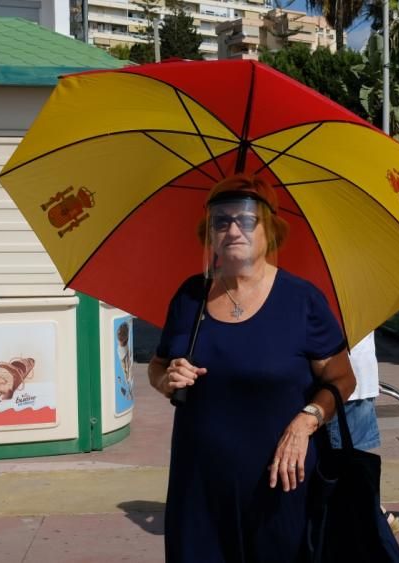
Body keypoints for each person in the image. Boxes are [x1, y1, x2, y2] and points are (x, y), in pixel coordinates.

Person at [148, 174, 356, 562]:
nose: (232, 229)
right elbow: (159, 366)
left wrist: (306, 421)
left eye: (245, 219)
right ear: (209, 234)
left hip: (280, 486)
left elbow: (342, 378)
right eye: (220, 221)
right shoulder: (190, 297)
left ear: (270, 230)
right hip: (199, 488)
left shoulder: (302, 301)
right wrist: (166, 378)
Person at [327, 331, 399, 533]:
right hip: (360, 380)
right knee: (353, 465)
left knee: (343, 469)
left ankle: (376, 517)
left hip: (342, 387)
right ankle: (377, 514)